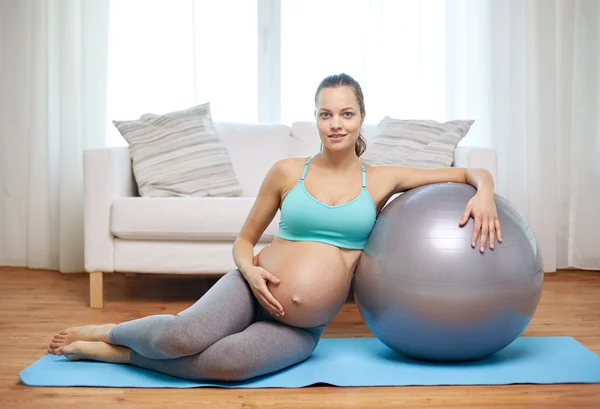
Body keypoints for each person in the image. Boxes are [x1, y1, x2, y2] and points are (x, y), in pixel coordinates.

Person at [47, 73, 502, 381]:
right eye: (326, 114)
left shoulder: (383, 178)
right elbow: (244, 242)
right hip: (248, 288)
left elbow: (468, 174)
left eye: (346, 113)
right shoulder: (288, 172)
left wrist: (483, 193)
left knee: (226, 365)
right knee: (181, 336)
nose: (336, 124)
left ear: (362, 117)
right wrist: (251, 273)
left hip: (301, 327)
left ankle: (118, 355)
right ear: (317, 119)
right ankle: (110, 331)